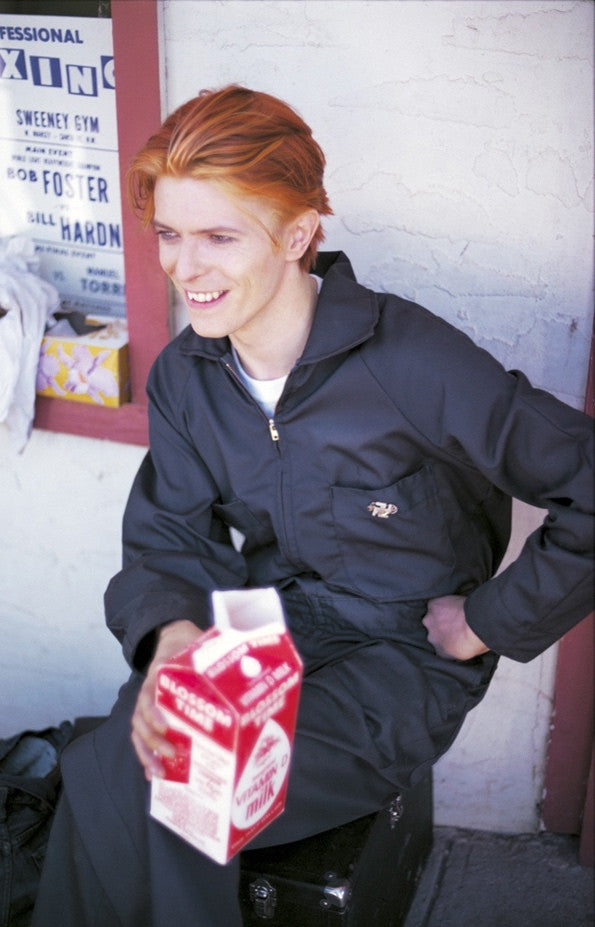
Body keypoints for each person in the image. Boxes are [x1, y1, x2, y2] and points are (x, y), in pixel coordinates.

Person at [33, 85, 593, 927]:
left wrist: (486, 620)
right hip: (266, 625)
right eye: (171, 235)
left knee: (189, 787)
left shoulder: (410, 361)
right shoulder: (186, 377)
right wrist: (174, 637)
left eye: (220, 236)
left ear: (296, 235)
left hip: (400, 658)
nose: (186, 268)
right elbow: (167, 538)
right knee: (111, 762)